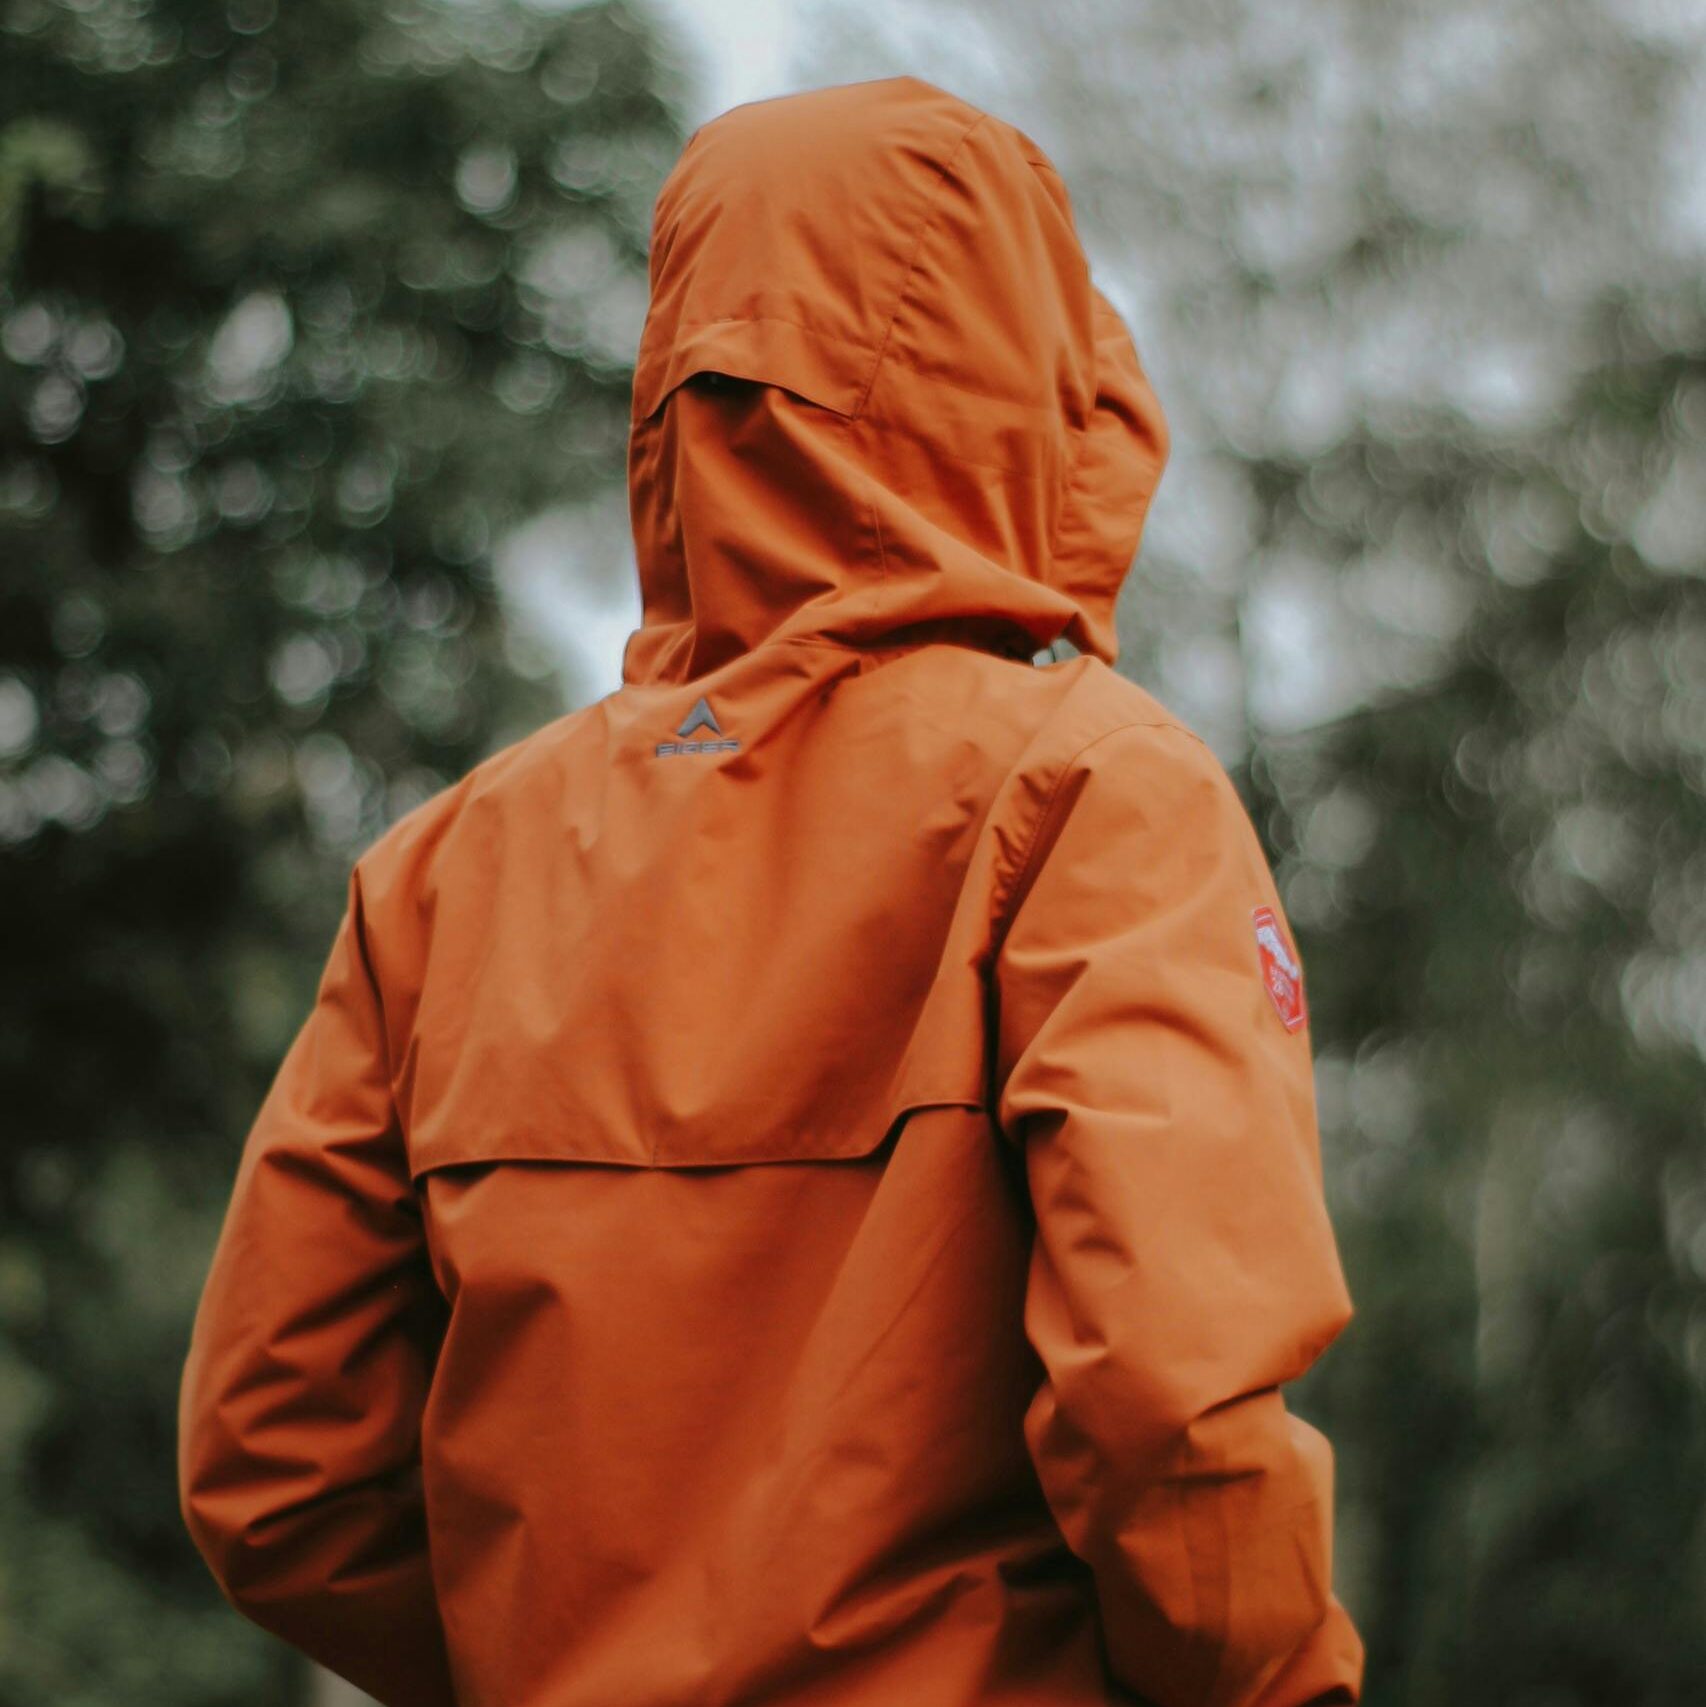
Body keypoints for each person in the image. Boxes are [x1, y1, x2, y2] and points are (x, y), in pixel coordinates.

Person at [178, 72, 1363, 1707]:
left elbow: (275, 1471)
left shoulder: (447, 866)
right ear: (1038, 385)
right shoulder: (1092, 793)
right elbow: (1172, 1409)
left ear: (680, 383)